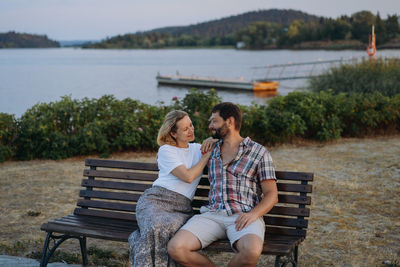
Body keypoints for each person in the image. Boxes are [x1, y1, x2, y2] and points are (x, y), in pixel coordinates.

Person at [167, 102, 278, 267]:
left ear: (230, 122)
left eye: (214, 121)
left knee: (251, 252)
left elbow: (271, 194)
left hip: (244, 215)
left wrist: (253, 214)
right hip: (212, 215)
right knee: (176, 248)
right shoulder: (209, 150)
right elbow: (180, 152)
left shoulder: (259, 152)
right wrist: (162, 156)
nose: (210, 126)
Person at [128, 110, 216, 267]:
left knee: (168, 229)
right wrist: (205, 157)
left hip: (181, 208)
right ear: (173, 133)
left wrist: (212, 139)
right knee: (157, 226)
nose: (191, 130)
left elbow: (223, 141)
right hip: (155, 201)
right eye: (185, 129)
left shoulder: (198, 148)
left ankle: (141, 238)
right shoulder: (166, 150)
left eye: (191, 125)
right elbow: (188, 177)